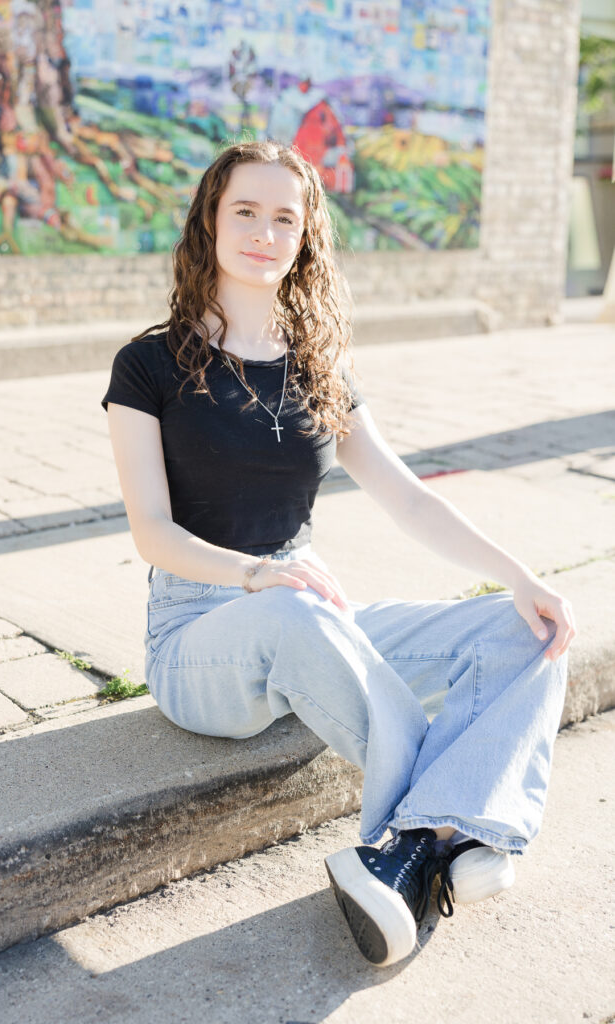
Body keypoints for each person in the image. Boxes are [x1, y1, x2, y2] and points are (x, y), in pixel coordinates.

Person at [101, 139, 576, 967]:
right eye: (243, 210)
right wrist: (255, 575)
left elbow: (408, 498)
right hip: (198, 640)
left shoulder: (319, 365)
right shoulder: (148, 365)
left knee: (528, 633)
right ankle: (426, 839)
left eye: (284, 216)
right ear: (209, 222)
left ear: (305, 236)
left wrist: (521, 578)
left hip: (311, 621)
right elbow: (152, 531)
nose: (262, 230)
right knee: (294, 609)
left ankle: (424, 841)